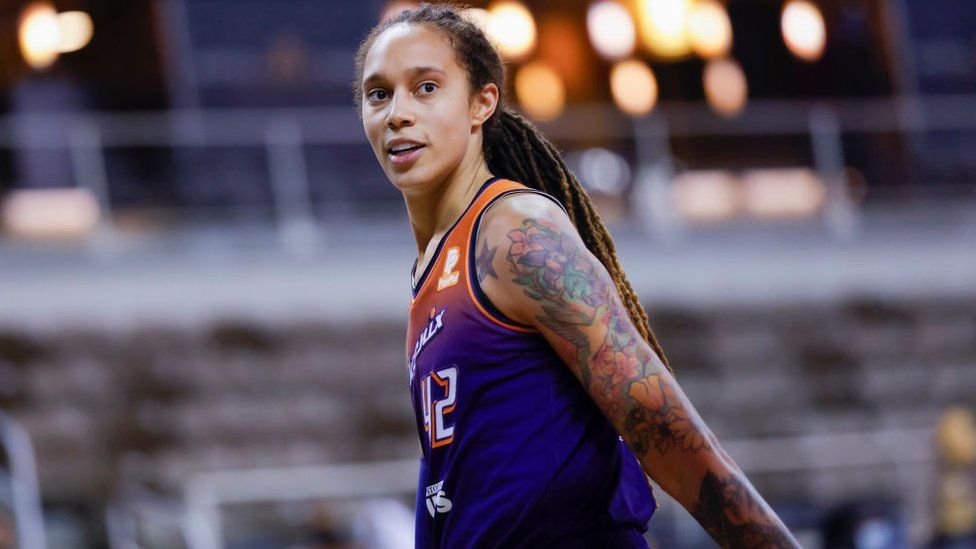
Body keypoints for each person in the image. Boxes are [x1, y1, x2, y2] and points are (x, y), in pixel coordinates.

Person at [354, 3, 799, 547]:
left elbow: (662, 424)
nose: (398, 112)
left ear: (481, 102)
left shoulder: (514, 233)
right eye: (379, 94)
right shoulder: (434, 265)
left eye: (426, 88)